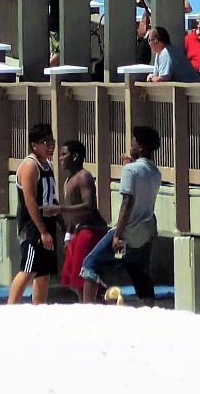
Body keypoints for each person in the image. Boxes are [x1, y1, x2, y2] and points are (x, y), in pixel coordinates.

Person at [80, 124, 161, 305]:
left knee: (90, 264)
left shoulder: (130, 170)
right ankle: (149, 308)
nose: (130, 145)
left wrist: (117, 234)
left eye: (133, 142)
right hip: (145, 234)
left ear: (140, 146)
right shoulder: (155, 172)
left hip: (126, 232)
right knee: (139, 273)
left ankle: (87, 308)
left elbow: (127, 202)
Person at [7, 122, 59, 307]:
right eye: (45, 142)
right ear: (34, 145)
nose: (50, 146)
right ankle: (11, 306)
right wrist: (42, 231)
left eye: (51, 141)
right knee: (28, 268)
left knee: (44, 272)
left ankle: (39, 308)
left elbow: (50, 197)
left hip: (47, 223)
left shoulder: (47, 164)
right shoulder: (30, 166)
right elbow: (30, 200)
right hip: (32, 226)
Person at [51, 139, 107, 294]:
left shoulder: (83, 176)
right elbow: (73, 212)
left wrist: (60, 209)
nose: (60, 158)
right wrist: (68, 234)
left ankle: (89, 307)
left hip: (90, 230)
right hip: (78, 230)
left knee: (83, 278)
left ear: (75, 156)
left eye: (64, 154)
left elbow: (89, 206)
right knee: (72, 280)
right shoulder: (69, 179)